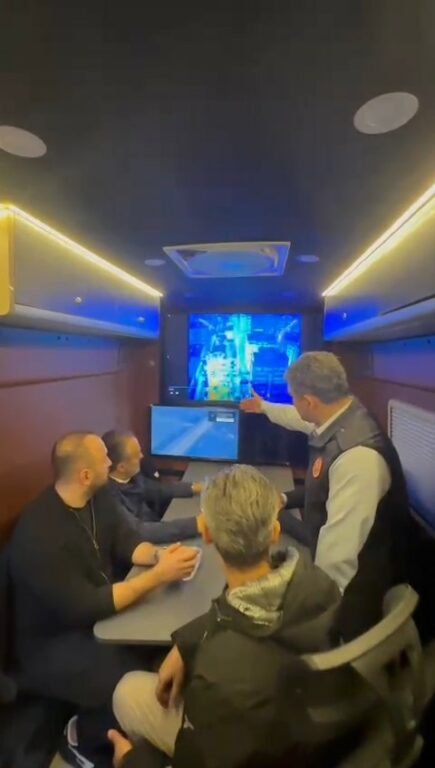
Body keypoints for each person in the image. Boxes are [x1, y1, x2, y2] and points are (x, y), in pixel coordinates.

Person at [110, 465, 342, 768]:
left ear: (207, 534)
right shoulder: (320, 583)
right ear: (274, 532)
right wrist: (186, 643)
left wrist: (131, 761)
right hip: (300, 730)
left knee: (125, 692)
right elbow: (240, 604)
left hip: (253, 745)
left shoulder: (216, 674)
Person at [9, 432, 198, 766]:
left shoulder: (99, 497)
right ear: (85, 475)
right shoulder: (40, 535)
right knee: (129, 678)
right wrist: (158, 576)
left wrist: (160, 556)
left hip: (97, 620)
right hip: (54, 645)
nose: (111, 463)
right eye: (104, 460)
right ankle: (82, 739)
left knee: (159, 652)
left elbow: (128, 541)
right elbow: (86, 606)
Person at [240, 351, 414, 639]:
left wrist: (305, 617)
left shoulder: (357, 459)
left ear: (309, 402)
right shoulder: (343, 414)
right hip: (346, 570)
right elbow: (298, 419)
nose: (293, 405)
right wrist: (263, 407)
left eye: (294, 399)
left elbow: (337, 561)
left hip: (356, 594)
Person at [102, 430, 200, 544]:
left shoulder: (133, 477)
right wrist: (196, 524)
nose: (142, 456)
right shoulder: (109, 499)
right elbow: (140, 532)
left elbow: (159, 489)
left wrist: (196, 487)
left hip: (155, 530)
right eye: (136, 455)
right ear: (121, 467)